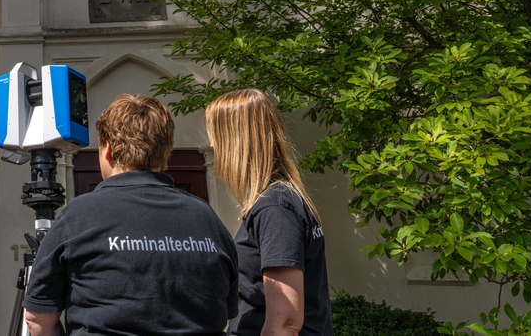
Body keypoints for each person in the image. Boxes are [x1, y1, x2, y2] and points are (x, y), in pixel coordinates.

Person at [23, 94, 239, 336]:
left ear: (109, 150)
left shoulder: (78, 216)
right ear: (166, 151)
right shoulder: (207, 219)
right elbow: (227, 314)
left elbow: (38, 320)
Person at [204, 89, 332, 336]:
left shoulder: (276, 208)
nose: (211, 145)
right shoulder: (280, 200)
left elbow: (285, 323)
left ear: (236, 139)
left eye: (215, 135)